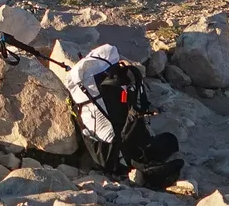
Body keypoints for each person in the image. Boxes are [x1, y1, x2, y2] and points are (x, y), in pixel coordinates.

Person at [61, 43, 183, 188]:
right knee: (164, 144)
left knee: (169, 140)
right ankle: (139, 165)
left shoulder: (90, 78)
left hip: (112, 144)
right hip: (113, 149)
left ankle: (137, 157)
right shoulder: (106, 76)